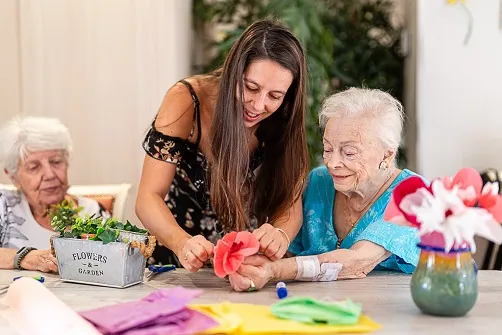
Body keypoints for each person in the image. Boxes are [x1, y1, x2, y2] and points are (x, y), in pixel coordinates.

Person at [136, 18, 308, 271]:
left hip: (246, 264)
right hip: (176, 261)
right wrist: (182, 243)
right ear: (233, 72)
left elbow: (290, 203)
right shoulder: (187, 100)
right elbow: (147, 198)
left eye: (275, 96)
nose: (259, 106)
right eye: (251, 87)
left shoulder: (284, 115)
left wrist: (279, 234)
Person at [227, 87, 422, 292]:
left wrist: (273, 271)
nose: (332, 163)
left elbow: (357, 261)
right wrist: (251, 257)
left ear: (387, 156)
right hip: (315, 303)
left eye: (349, 152)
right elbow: (290, 251)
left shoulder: (412, 194)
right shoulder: (319, 181)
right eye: (328, 149)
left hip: (390, 312)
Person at [0, 116, 108, 272]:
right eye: (34, 167)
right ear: (13, 177)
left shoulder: (92, 211)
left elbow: (108, 264)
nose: (50, 174)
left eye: (56, 161)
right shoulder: (3, 206)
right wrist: (25, 257)